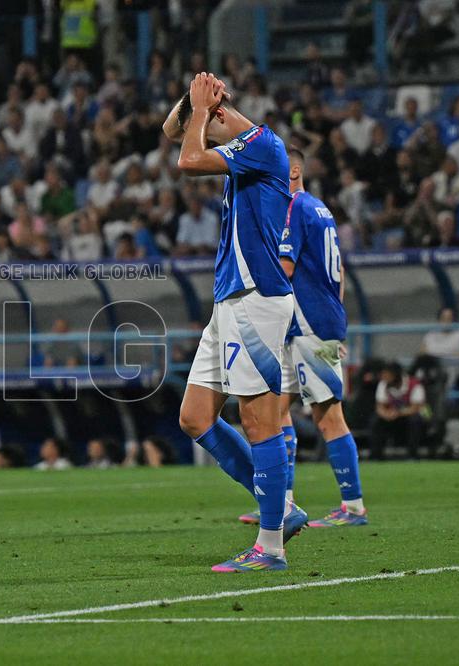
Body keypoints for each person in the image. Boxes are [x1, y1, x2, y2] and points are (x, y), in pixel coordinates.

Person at [165, 73, 300, 573]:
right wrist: (194, 98)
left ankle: (271, 546)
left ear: (220, 115)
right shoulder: (239, 144)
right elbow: (172, 132)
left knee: (259, 420)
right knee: (195, 417)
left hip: (257, 298)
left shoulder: (263, 144)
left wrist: (201, 110)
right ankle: (282, 509)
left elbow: (187, 161)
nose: (198, 133)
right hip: (230, 302)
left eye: (205, 123)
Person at [239, 149, 368, 529]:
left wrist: (248, 294)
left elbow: (286, 267)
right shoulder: (320, 209)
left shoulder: (295, 206)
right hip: (307, 322)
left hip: (310, 323)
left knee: (328, 416)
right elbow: (336, 272)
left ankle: (353, 507)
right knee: (277, 411)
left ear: (294, 170)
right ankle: (283, 503)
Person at [372, 361, 426, 460]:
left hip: (408, 416)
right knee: (375, 421)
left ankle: (412, 455)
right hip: (391, 417)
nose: (384, 377)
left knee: (415, 420)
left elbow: (415, 408)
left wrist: (398, 413)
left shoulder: (414, 385)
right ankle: (376, 455)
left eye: (387, 375)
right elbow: (380, 406)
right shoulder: (383, 384)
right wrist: (385, 414)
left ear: (396, 375)